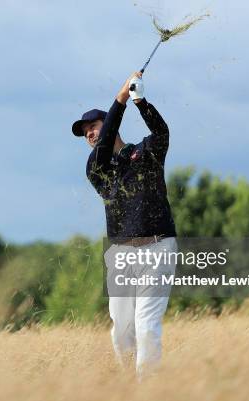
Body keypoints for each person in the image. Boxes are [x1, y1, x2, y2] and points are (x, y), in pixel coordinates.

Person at [71, 71, 178, 378]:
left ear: (110, 125)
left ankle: (148, 390)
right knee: (121, 332)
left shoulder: (146, 152)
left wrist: (140, 101)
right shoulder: (97, 168)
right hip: (120, 254)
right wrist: (119, 100)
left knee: (147, 326)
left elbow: (162, 133)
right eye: (85, 132)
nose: (90, 134)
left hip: (158, 246)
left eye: (94, 127)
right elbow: (104, 146)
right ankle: (129, 385)